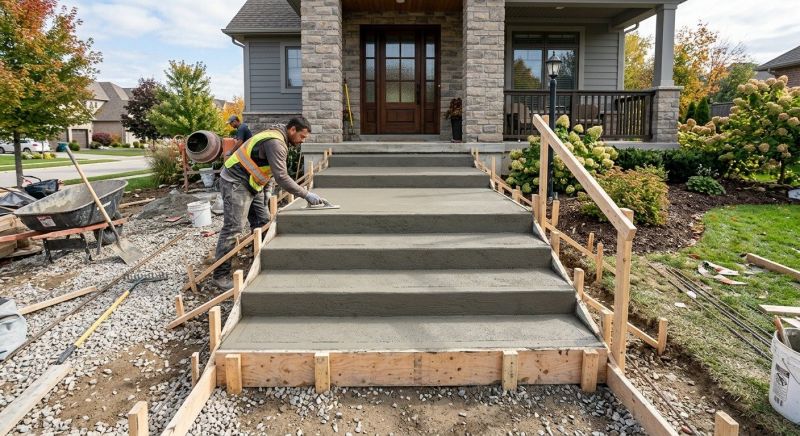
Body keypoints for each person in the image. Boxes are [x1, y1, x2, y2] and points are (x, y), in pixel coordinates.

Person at [211, 116, 323, 289]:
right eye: (302, 137)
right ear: (292, 129)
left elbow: (268, 169)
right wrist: (306, 194)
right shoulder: (276, 143)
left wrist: (267, 191)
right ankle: (220, 275)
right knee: (234, 228)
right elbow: (282, 176)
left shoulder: (279, 137)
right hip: (235, 181)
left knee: (262, 221)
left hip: (252, 182)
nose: (302, 141)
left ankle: (263, 260)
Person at [226, 115, 267, 230]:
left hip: (247, 162)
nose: (231, 125)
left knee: (255, 201)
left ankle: (259, 226)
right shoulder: (243, 127)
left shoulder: (241, 128)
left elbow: (239, 142)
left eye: (231, 123)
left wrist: (231, 152)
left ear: (236, 121)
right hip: (249, 165)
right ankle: (256, 226)